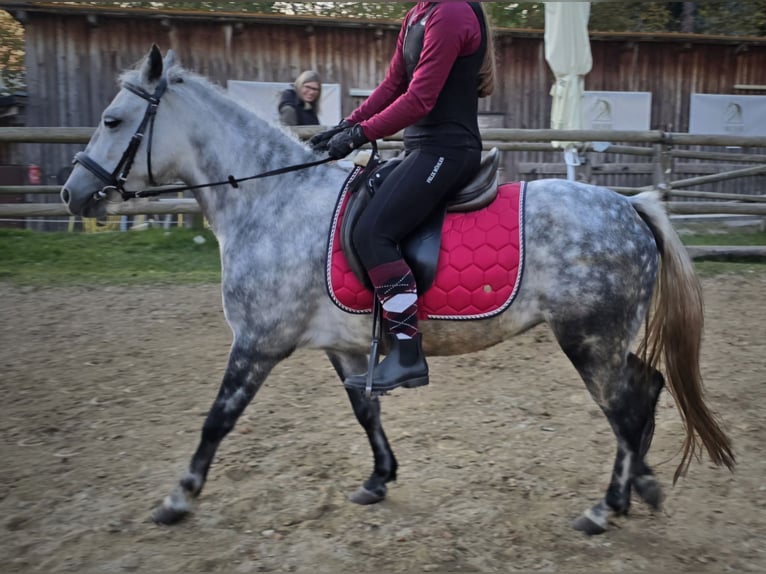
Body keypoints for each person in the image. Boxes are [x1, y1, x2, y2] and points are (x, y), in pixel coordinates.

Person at [310, 2, 496, 394]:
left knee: (372, 232)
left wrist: (360, 136)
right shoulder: (418, 13)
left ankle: (408, 354)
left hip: (448, 149)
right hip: (421, 149)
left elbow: (419, 99)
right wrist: (346, 124)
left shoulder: (451, 14)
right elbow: (393, 84)